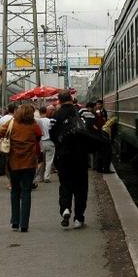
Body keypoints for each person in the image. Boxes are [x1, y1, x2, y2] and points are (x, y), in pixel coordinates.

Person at [0, 103, 43, 232]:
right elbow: (39, 135)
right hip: (30, 163)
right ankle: (24, 224)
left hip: (14, 162)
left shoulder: (12, 123)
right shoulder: (33, 125)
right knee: (26, 192)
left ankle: (15, 222)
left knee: (15, 191)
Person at [51, 90, 90, 229]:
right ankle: (79, 219)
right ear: (72, 98)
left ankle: (65, 209)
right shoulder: (80, 113)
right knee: (81, 188)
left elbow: (52, 135)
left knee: (65, 184)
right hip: (80, 157)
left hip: (63, 156)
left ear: (59, 101)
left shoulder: (56, 116)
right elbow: (88, 132)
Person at [36, 105, 55, 183]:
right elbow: (53, 131)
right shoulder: (50, 121)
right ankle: (46, 177)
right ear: (46, 112)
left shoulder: (37, 121)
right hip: (50, 142)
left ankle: (39, 177)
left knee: (41, 161)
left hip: (41, 142)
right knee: (49, 161)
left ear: (39, 112)